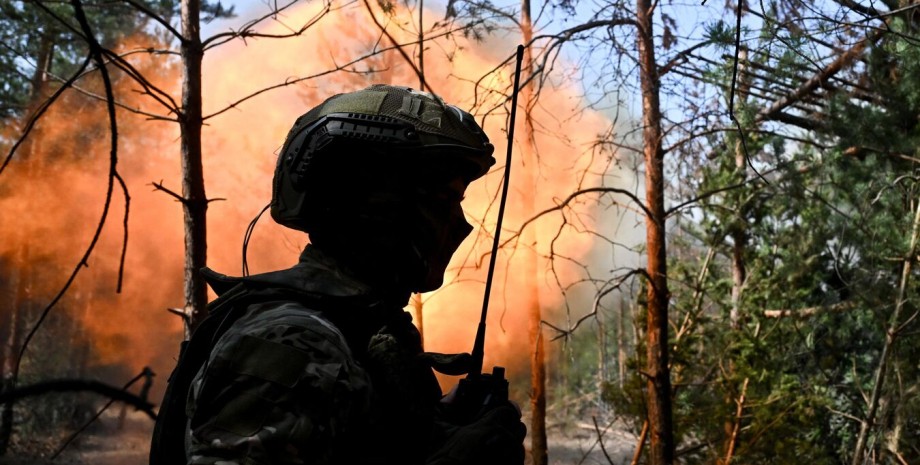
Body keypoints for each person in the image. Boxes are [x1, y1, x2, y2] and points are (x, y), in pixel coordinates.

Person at [150, 84, 527, 465]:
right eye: (445, 200)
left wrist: (435, 429)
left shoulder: (358, 330)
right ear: (375, 203)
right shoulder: (294, 341)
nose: (460, 225)